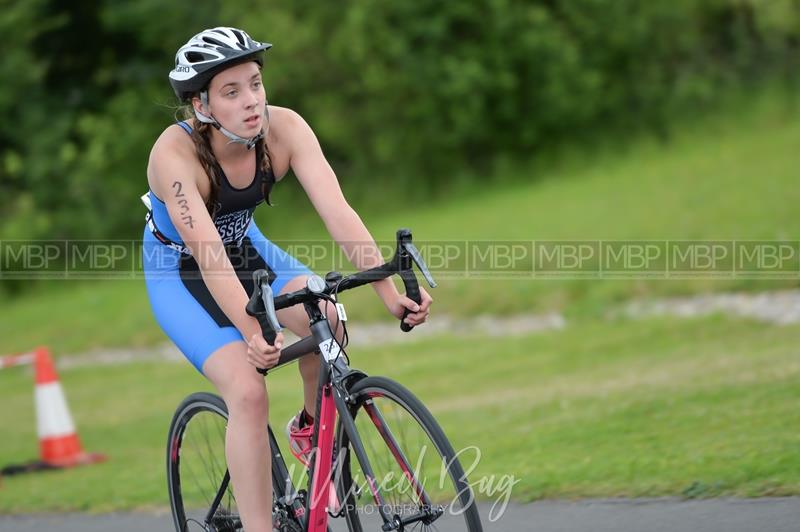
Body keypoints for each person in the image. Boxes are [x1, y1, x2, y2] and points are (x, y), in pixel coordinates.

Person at [142, 27, 433, 532]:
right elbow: (210, 260)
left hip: (247, 252)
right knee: (249, 392)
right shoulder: (174, 155)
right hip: (182, 272)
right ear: (202, 106)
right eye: (232, 92)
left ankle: (308, 431)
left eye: (255, 83)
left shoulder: (285, 130)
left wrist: (387, 290)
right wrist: (256, 336)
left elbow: (337, 211)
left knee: (330, 319)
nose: (252, 101)